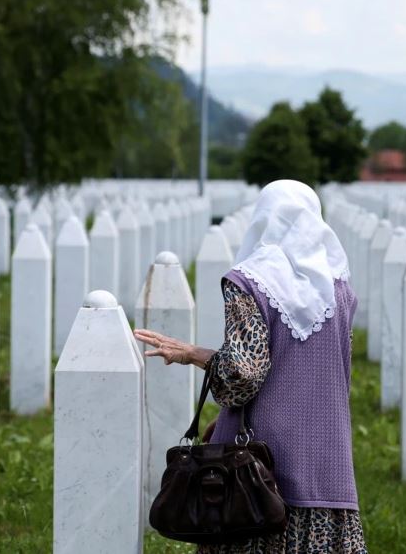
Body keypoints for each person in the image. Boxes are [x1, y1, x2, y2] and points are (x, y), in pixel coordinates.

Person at [134, 179, 367, 553]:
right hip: (327, 458)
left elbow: (244, 374)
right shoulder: (339, 288)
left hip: (257, 470)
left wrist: (193, 353)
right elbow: (336, 371)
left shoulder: (251, 281)